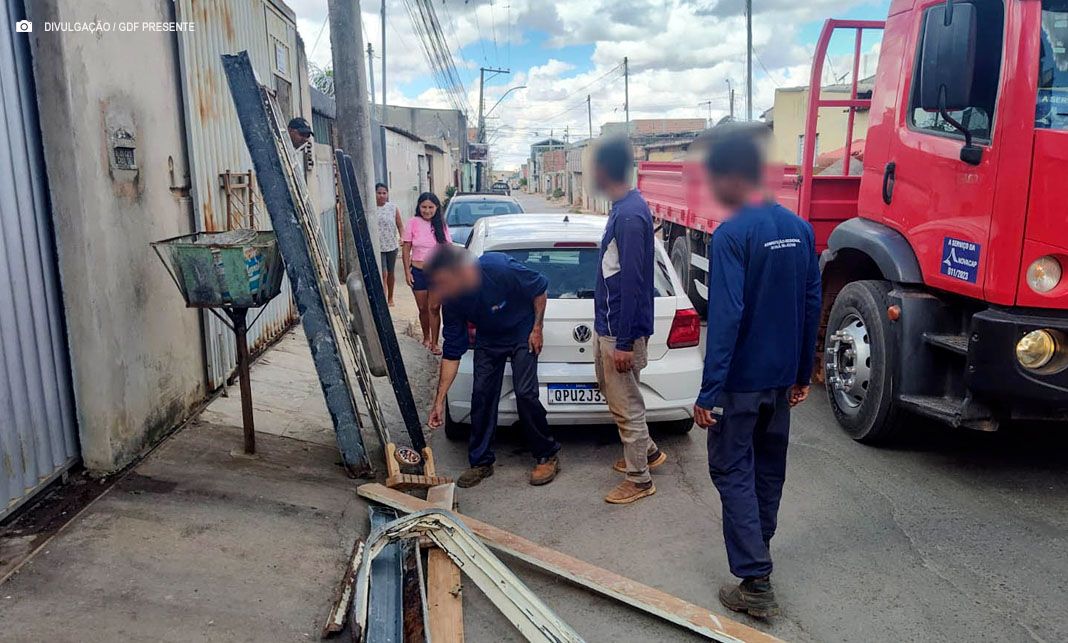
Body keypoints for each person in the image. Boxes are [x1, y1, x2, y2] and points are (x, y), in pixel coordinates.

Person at [692, 128, 821, 619]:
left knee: (732, 469)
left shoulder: (732, 234)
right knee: (768, 469)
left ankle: (755, 579)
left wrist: (709, 392)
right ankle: (759, 553)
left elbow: (725, 317)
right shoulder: (799, 228)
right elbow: (812, 303)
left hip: (741, 383)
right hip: (780, 379)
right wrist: (802, 373)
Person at [426, 245, 561, 488]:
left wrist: (537, 328)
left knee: (525, 392)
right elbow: (452, 353)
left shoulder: (498, 268)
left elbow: (539, 289)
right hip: (489, 338)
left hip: (522, 330)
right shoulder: (453, 301)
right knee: (482, 394)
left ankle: (546, 454)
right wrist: (439, 401)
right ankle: (481, 462)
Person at [591, 137, 666, 505]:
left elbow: (636, 283)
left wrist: (623, 342)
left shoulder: (632, 215)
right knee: (614, 394)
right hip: (608, 327)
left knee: (627, 405)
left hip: (621, 332)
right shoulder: (622, 209)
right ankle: (648, 452)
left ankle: (640, 480)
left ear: (606, 171)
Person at [402, 192, 452, 354]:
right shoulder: (413, 222)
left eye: (431, 207)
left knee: (434, 307)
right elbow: (406, 247)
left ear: (437, 208)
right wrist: (407, 272)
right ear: (419, 207)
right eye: (424, 207)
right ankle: (426, 337)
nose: (427, 210)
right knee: (423, 308)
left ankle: (435, 343)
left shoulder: (441, 225)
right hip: (418, 271)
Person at [374, 183, 404, 306]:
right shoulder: (371, 208)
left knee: (391, 272)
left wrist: (403, 237)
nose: (382, 195)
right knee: (383, 273)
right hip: (378, 246)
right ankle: (383, 300)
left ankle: (390, 298)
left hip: (391, 245)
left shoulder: (393, 208)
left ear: (387, 194)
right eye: (379, 193)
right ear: (375, 194)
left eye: (384, 193)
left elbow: (400, 225)